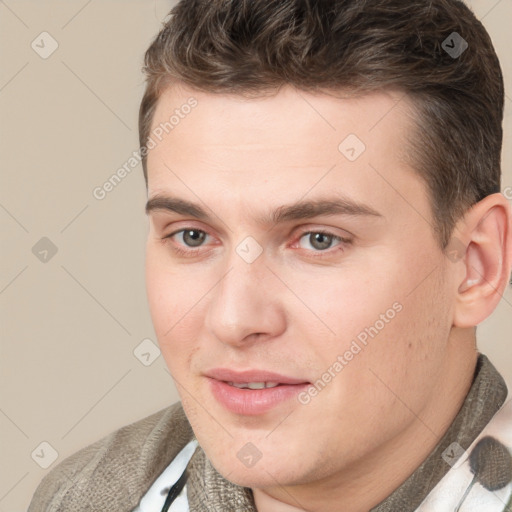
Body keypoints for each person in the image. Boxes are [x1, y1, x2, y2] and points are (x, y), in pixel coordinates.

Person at [29, 0, 512, 510]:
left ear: (476, 265)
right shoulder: (83, 496)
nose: (234, 319)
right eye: (192, 235)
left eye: (319, 239)